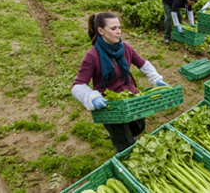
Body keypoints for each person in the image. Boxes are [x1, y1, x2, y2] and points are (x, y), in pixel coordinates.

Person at [71, 11, 169, 152]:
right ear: (101, 31)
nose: (118, 32)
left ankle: (130, 138)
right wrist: (92, 98)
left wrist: (156, 79)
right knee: (123, 142)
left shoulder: (125, 48)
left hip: (130, 97)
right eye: (113, 28)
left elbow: (143, 64)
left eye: (119, 28)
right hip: (111, 104)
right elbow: (78, 85)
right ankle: (124, 154)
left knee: (138, 126)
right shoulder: (92, 56)